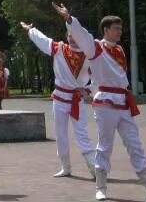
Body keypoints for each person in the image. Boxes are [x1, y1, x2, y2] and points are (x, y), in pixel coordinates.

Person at [51, 2, 146, 201]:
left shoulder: (119, 50)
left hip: (123, 102)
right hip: (106, 103)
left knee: (135, 145)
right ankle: (101, 187)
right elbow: (82, 35)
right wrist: (69, 19)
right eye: (116, 28)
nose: (120, 32)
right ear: (106, 30)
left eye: (121, 28)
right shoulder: (95, 48)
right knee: (105, 146)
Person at [21, 19, 95, 178]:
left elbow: (99, 75)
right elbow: (43, 40)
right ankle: (66, 167)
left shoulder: (90, 55)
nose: (71, 38)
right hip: (60, 98)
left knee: (82, 133)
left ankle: (94, 168)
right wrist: (30, 30)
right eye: (69, 35)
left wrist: (88, 90)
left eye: (74, 35)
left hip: (76, 99)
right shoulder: (59, 49)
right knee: (60, 134)